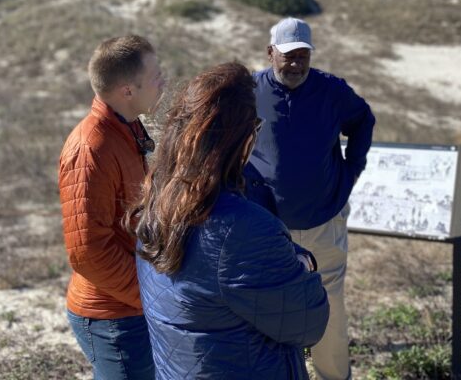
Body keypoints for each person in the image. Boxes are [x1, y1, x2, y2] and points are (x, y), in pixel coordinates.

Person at [130, 62, 330, 379]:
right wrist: (303, 267)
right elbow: (308, 324)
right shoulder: (243, 229)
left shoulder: (155, 203)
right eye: (255, 128)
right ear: (242, 140)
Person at [250, 17, 376, 380]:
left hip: (323, 221)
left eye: (302, 55)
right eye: (288, 55)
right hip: (267, 226)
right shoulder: (249, 91)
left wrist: (352, 170)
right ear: (270, 52)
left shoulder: (332, 90)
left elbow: (363, 121)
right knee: (271, 308)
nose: (295, 63)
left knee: (329, 307)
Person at [58, 35, 164, 379]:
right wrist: (150, 295)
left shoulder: (126, 128)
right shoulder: (92, 149)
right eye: (155, 76)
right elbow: (87, 252)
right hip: (112, 318)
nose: (163, 81)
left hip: (130, 307)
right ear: (127, 90)